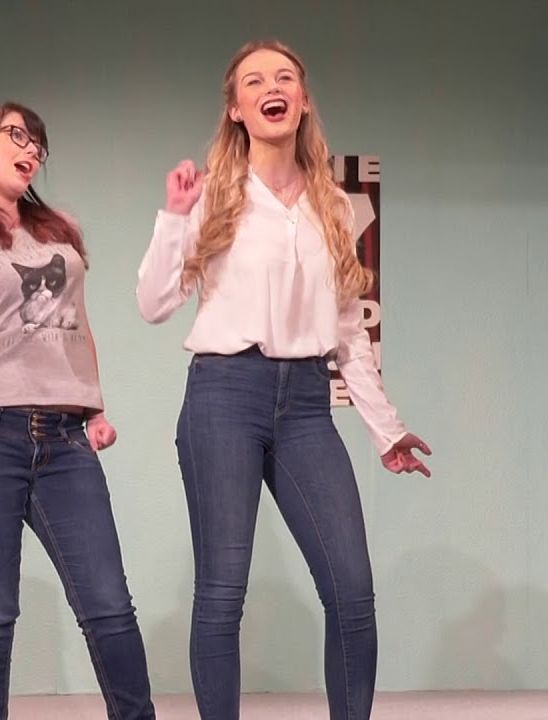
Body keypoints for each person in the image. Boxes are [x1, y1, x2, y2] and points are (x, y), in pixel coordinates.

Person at [135, 39, 433, 720]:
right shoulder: (214, 195)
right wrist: (174, 217)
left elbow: (349, 333)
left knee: (352, 593)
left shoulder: (333, 205)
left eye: (285, 77)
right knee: (222, 594)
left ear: (301, 100)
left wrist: (386, 429)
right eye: (254, 81)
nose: (272, 87)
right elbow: (153, 304)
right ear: (237, 109)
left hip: (305, 404)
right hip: (223, 395)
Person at [0, 102, 157, 720]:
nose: (30, 150)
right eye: (16, 136)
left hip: (64, 437)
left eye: (37, 144)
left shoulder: (59, 231)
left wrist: (94, 407)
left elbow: (77, 324)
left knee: (108, 604)